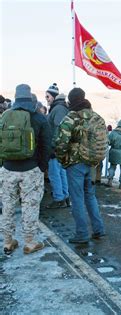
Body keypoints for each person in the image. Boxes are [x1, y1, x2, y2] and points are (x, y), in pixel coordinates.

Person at [0, 84, 52, 254]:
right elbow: (46, 145)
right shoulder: (38, 117)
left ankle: (7, 241)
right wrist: (42, 167)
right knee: (30, 205)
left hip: (8, 168)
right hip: (31, 169)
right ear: (30, 97)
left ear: (15, 97)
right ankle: (30, 242)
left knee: (7, 205)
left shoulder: (5, 116)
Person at [55, 87, 106, 244]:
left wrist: (62, 158)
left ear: (70, 101)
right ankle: (98, 229)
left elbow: (61, 142)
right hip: (91, 162)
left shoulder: (71, 117)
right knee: (90, 196)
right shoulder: (96, 116)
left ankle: (82, 233)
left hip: (75, 163)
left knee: (77, 198)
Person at [46, 88, 70, 209]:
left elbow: (58, 130)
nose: (47, 99)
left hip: (55, 149)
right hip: (59, 148)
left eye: (48, 96)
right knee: (61, 173)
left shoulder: (58, 109)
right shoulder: (60, 108)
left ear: (54, 97)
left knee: (55, 174)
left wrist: (53, 147)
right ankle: (64, 196)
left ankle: (59, 198)